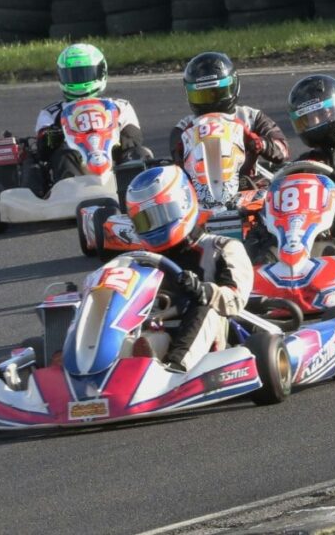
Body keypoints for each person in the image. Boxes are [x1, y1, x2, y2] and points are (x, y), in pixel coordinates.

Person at [246, 75, 335, 268]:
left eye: (321, 115)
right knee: (260, 235)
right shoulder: (301, 164)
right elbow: (279, 194)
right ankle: (259, 273)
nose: (315, 122)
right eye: (308, 119)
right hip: (300, 232)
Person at [125, 165, 253, 373]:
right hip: (156, 326)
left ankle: (176, 369)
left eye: (160, 215)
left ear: (182, 202)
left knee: (206, 306)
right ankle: (104, 372)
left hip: (210, 335)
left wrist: (204, 291)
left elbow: (236, 300)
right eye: (144, 221)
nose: (153, 226)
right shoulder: (141, 260)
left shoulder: (222, 247)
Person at [169, 51, 289, 180]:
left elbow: (282, 150)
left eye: (217, 93)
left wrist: (259, 143)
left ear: (234, 85)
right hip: (200, 191)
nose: (211, 102)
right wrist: (181, 151)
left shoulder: (251, 117)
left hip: (247, 189)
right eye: (202, 96)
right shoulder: (184, 127)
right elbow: (176, 159)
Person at [35, 43, 145, 181]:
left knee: (138, 153)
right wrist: (54, 136)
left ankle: (134, 188)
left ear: (101, 72)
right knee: (63, 155)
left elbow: (134, 138)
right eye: (73, 75)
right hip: (76, 160)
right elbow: (44, 149)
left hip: (113, 158)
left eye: (85, 73)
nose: (80, 81)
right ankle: (72, 195)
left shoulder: (119, 106)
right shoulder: (51, 113)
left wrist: (108, 138)